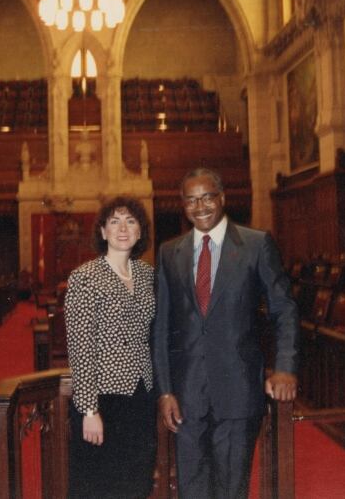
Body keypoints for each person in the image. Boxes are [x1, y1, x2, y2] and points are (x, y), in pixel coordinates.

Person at [153, 167, 299, 498]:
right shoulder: (169, 252)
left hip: (238, 390)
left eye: (207, 197)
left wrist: (286, 367)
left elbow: (284, 309)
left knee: (232, 487)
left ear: (222, 198)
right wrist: (165, 391)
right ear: (183, 205)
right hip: (186, 394)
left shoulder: (256, 243)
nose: (199, 206)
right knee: (191, 488)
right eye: (191, 200)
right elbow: (161, 327)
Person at [64, 196, 157, 499]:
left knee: (137, 481)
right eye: (114, 221)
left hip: (141, 395)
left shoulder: (147, 276)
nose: (122, 228)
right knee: (100, 484)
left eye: (130, 221)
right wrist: (89, 409)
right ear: (102, 231)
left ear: (140, 232)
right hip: (102, 399)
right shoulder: (84, 277)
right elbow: (80, 347)